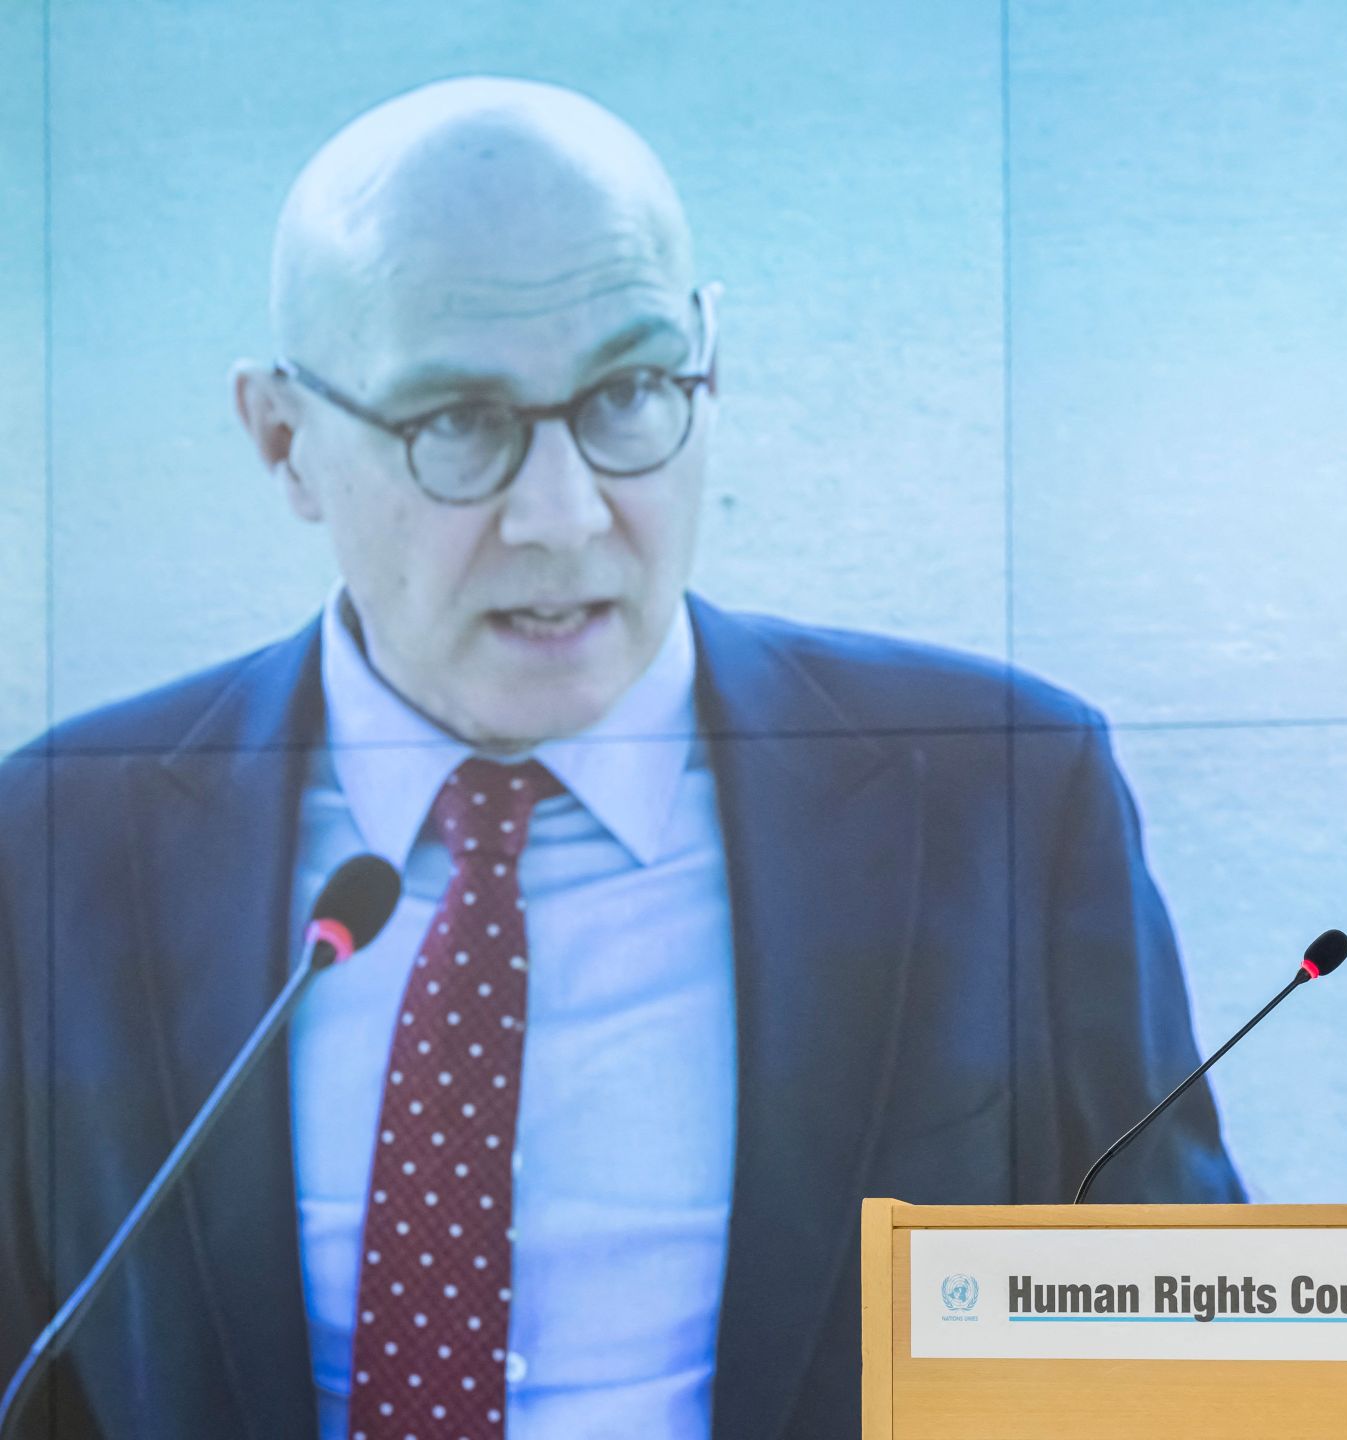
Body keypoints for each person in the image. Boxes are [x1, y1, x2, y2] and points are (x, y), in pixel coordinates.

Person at [0, 77, 1241, 1440]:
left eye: (631, 393)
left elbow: (1182, 1365)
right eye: (456, 422)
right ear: (284, 440)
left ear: (710, 368)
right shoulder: (55, 849)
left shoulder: (1002, 795)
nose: (564, 514)